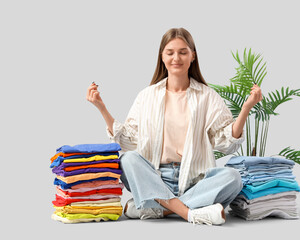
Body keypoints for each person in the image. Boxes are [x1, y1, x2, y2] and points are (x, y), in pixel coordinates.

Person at [86, 27, 262, 225]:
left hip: (196, 181)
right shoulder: (147, 96)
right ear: (162, 56)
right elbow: (128, 140)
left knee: (233, 177)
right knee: (127, 160)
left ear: (193, 56)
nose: (176, 58)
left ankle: (156, 209)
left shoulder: (207, 96)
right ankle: (190, 213)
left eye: (183, 52)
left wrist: (246, 108)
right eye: (170, 53)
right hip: (156, 178)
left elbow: (226, 143)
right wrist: (102, 108)